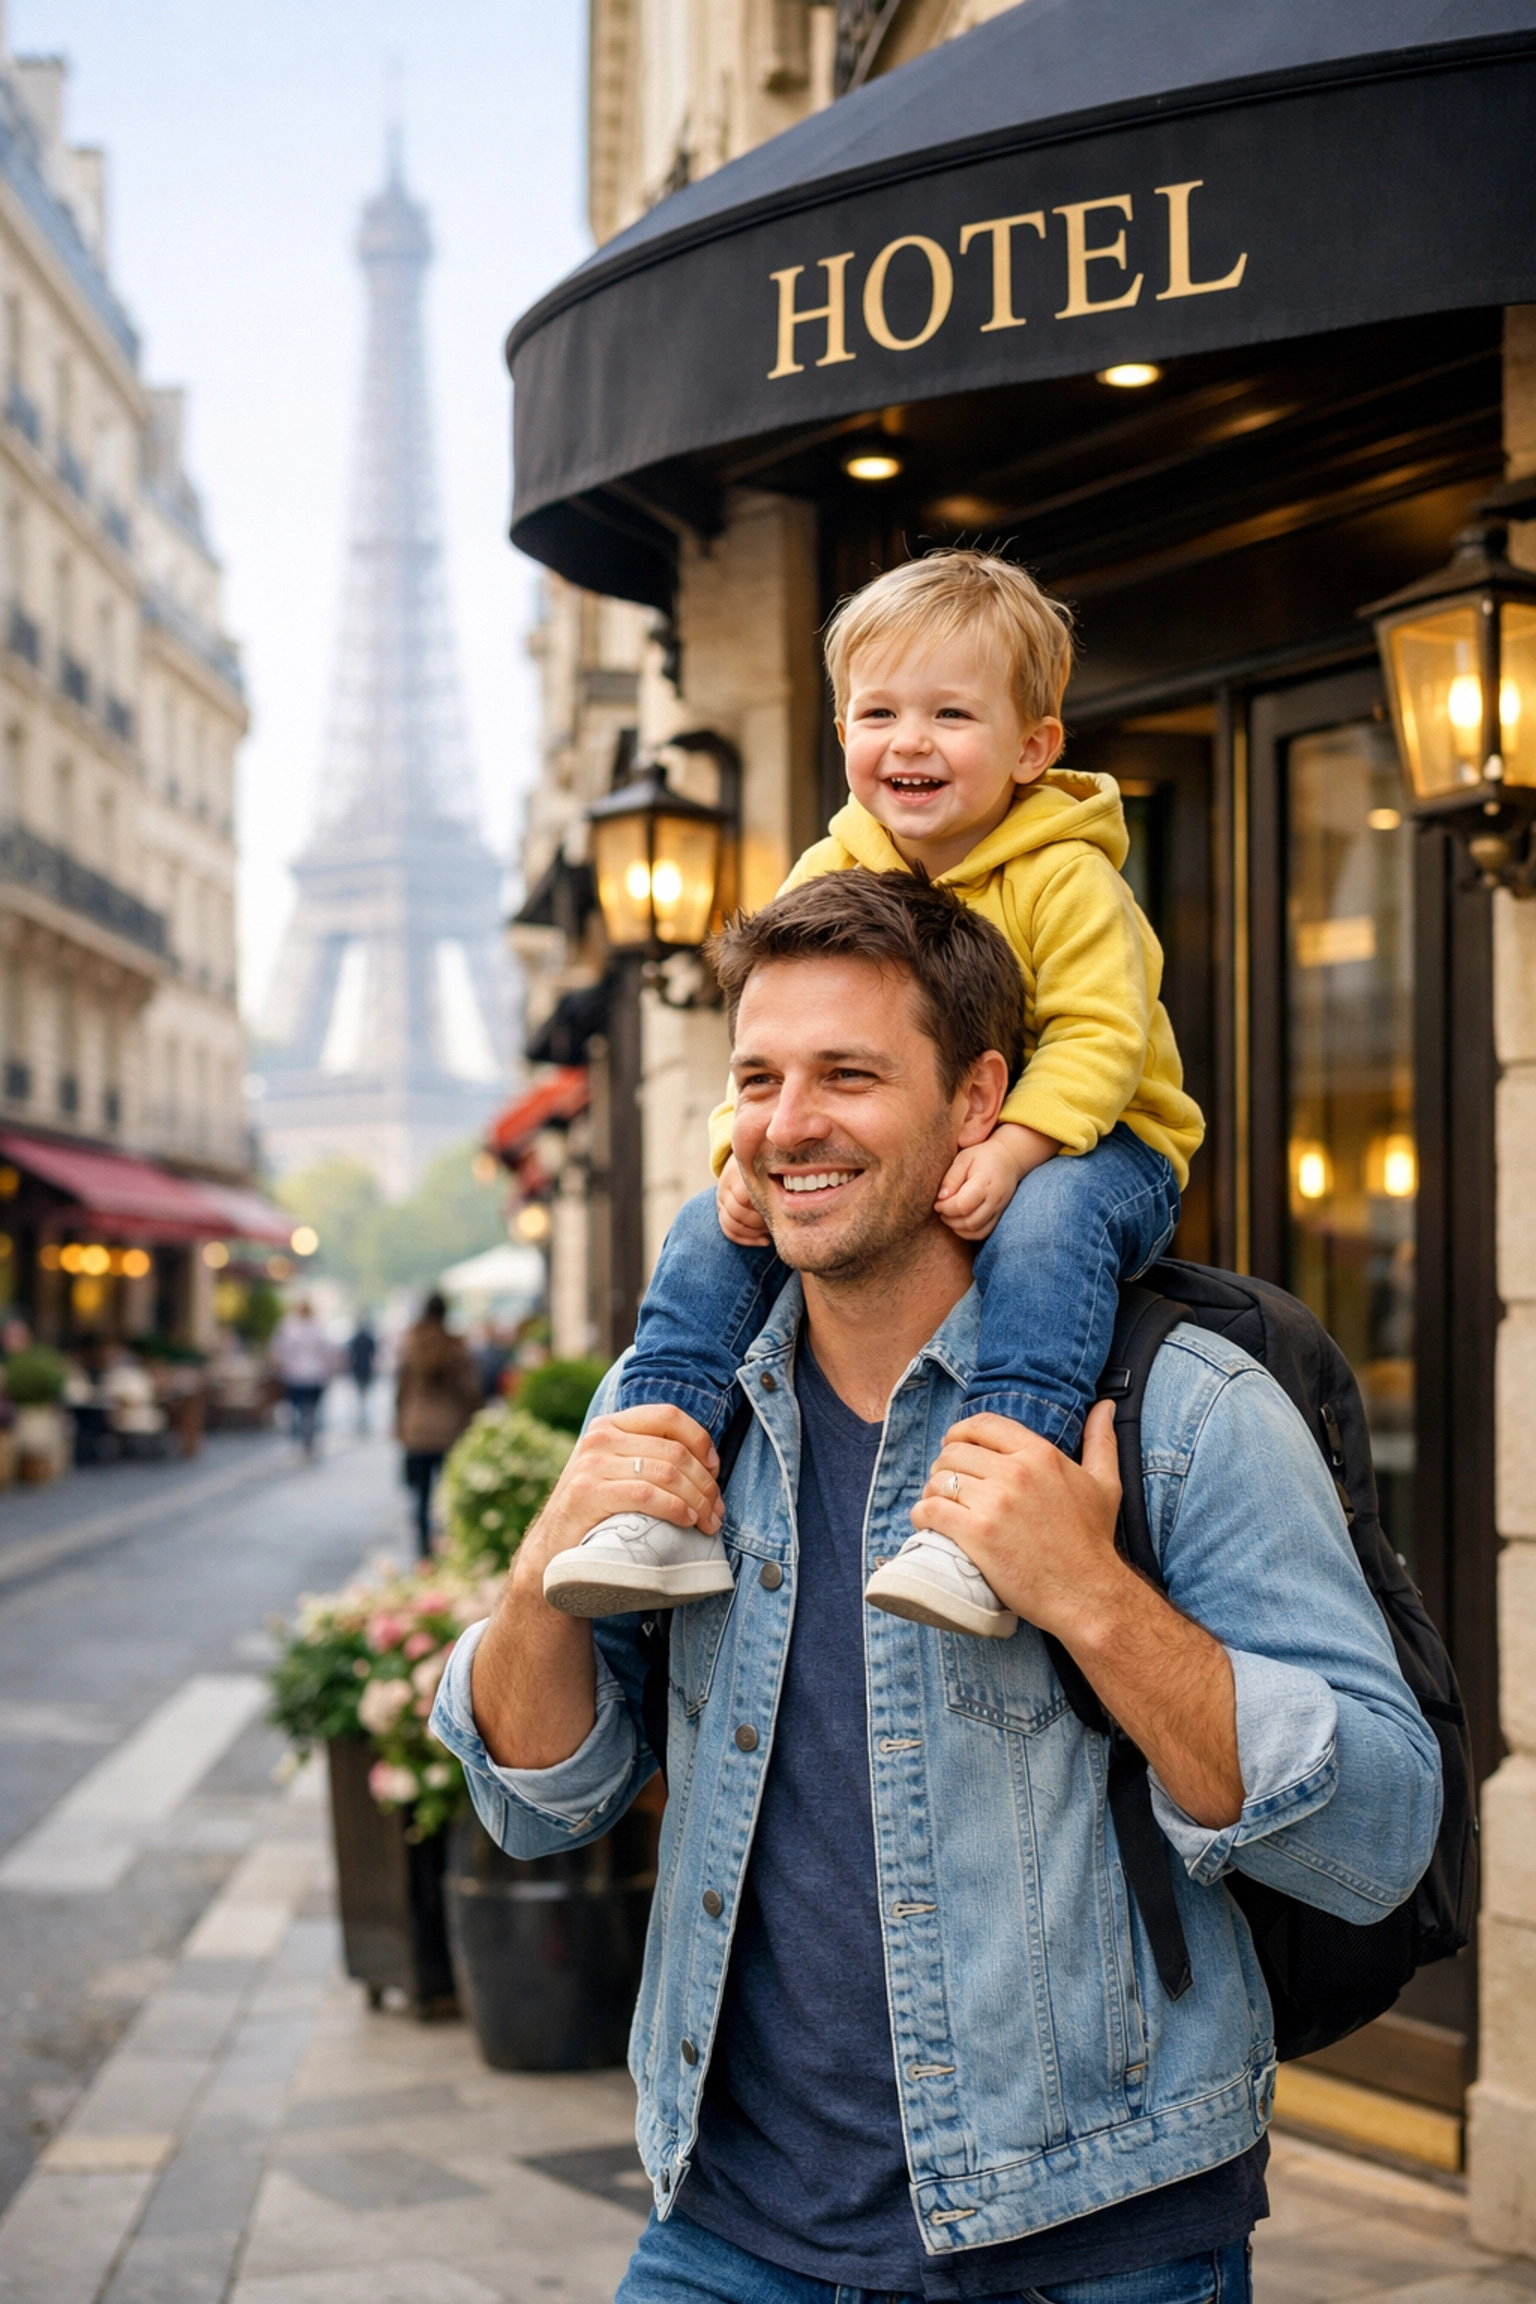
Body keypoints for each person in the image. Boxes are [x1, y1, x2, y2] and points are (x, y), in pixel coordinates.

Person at [433, 873, 1441, 2304]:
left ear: (979, 1101)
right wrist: (547, 1559)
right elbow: (536, 1805)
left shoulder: (1182, 1406)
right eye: (760, 1079)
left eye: (849, 1076)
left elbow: (1378, 1835)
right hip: (727, 2232)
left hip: (1094, 2242)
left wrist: (1088, 1593)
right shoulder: (684, 1403)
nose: (788, 1125)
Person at [547, 549, 1202, 1635]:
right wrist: (737, 1152)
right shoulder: (830, 866)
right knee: (707, 1228)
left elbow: (1102, 1038)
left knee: (1045, 1228)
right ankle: (652, 1494)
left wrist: (1015, 1147)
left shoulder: (1069, 873)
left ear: (1033, 748)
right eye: (878, 712)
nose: (910, 741)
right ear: (842, 729)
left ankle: (991, 1505)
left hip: (1104, 1146)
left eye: (951, 713)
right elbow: (769, 1042)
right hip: (950, 1138)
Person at [395, 1292, 481, 1558]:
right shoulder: (455, 1347)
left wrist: (400, 1425)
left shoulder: (411, 1346)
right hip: (449, 1430)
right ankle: (447, 1548)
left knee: (421, 1497)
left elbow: (400, 1390)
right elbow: (469, 1391)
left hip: (417, 1429)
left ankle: (423, 1551)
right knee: (449, 1496)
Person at [268, 1299, 334, 1459]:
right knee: (309, 1412)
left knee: (298, 1411)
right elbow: (327, 1352)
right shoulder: (315, 1327)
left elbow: (278, 1350)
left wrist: (281, 1365)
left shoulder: (290, 1327)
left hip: (297, 1376)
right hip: (311, 1376)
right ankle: (306, 1442)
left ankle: (299, 1441)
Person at [346, 1316, 378, 1434]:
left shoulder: (355, 1339)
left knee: (360, 1393)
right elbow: (373, 1355)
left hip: (358, 1368)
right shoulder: (369, 1339)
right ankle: (362, 1414)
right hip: (365, 1368)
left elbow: (350, 1355)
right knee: (364, 1393)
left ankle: (361, 1414)